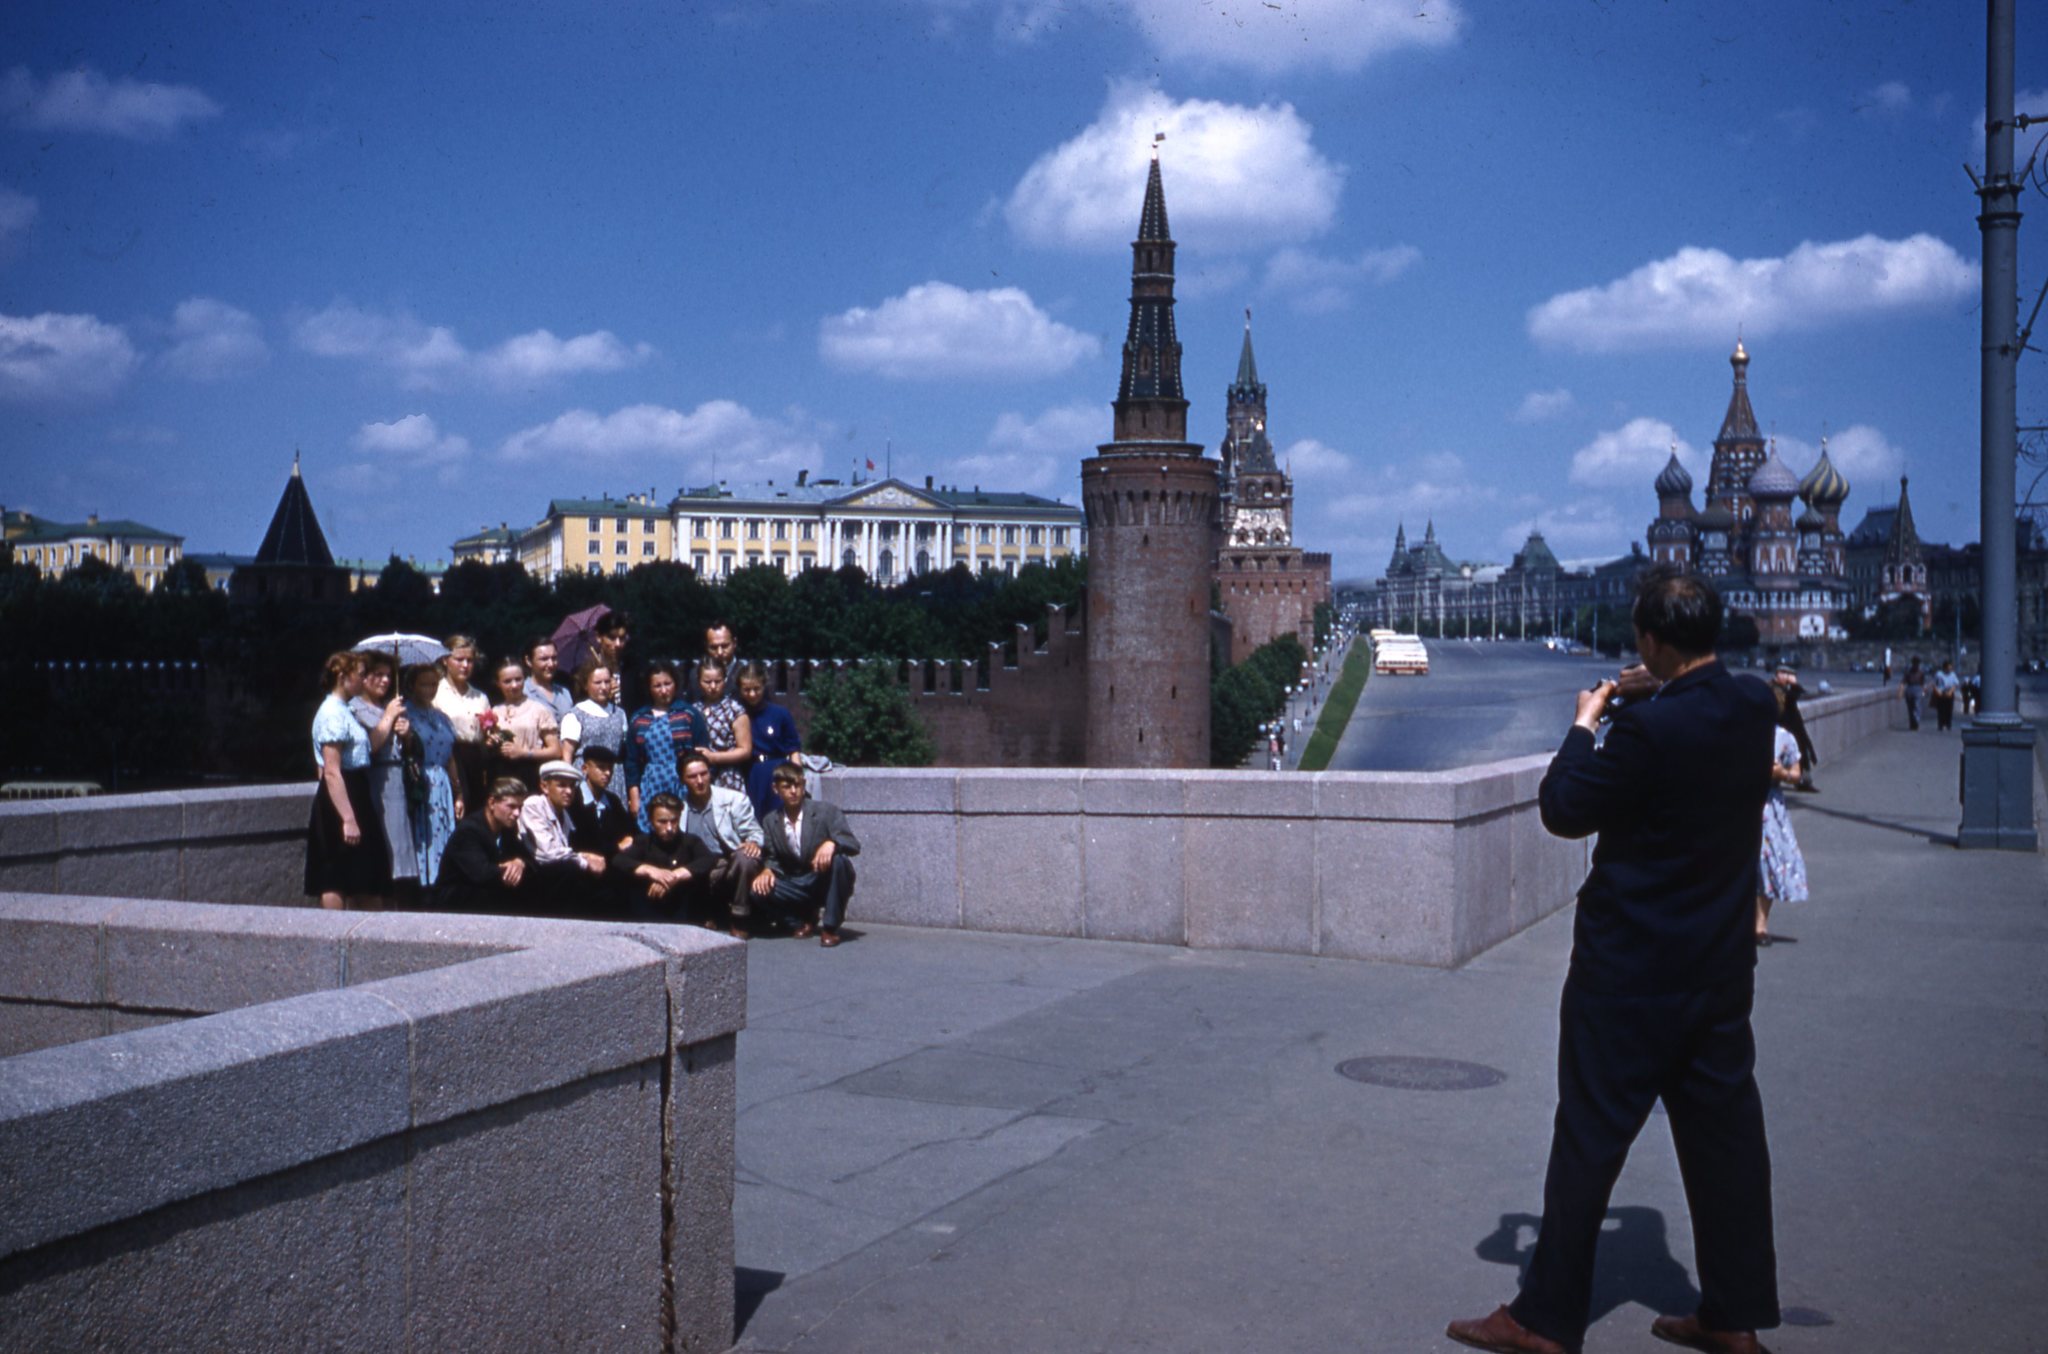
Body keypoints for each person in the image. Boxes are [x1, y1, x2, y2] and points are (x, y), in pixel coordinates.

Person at [1448, 567, 1780, 1354]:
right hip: (1719, 972)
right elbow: (1694, 737)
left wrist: (1585, 722)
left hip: (1629, 976)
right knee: (1726, 1146)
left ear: (1652, 641)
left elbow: (1565, 809)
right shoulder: (1753, 704)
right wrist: (1654, 688)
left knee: (1589, 1144)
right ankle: (1732, 1318)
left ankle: (1543, 1319)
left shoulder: (1643, 730)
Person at [305, 651, 390, 910]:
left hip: (356, 790)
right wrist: (348, 818)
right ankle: (335, 935)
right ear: (343, 677)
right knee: (336, 874)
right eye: (361, 675)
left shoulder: (346, 710)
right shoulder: (332, 713)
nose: (364, 680)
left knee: (363, 872)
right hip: (343, 794)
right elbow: (331, 770)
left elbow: (363, 750)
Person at [753, 762, 860, 947]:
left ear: (804, 785)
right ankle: (799, 922)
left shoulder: (826, 811)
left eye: (798, 785)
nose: (793, 791)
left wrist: (832, 843)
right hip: (795, 883)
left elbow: (853, 844)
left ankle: (830, 927)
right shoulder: (770, 821)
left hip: (822, 879)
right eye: (786, 787)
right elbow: (772, 857)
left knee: (840, 861)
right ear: (775, 789)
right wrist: (768, 870)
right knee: (757, 889)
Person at [348, 651, 417, 904]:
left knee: (400, 851)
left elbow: (407, 752)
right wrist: (388, 718)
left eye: (389, 676)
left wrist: (407, 735)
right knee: (381, 848)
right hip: (375, 781)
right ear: (364, 678)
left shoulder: (392, 707)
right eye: (378, 675)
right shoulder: (355, 708)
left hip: (398, 781)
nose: (385, 681)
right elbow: (368, 748)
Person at [678, 751, 765, 935]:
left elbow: (755, 832)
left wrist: (753, 842)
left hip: (728, 864)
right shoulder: (679, 807)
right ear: (682, 780)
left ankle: (739, 917)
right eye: (692, 776)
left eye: (704, 774)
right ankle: (704, 913)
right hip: (697, 867)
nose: (700, 780)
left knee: (746, 858)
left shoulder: (734, 799)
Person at [623, 661, 709, 832]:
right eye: (657, 686)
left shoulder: (689, 714)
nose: (663, 690)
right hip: (651, 781)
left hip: (682, 781)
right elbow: (631, 761)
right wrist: (634, 796)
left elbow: (702, 753)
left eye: (667, 684)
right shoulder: (639, 718)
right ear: (649, 688)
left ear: (675, 684)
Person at [608, 791, 720, 923]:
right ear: (651, 820)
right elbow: (619, 860)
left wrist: (675, 876)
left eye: (674, 821)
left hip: (685, 913)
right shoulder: (642, 842)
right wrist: (649, 870)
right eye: (662, 822)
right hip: (648, 913)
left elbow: (708, 859)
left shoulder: (690, 842)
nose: (669, 828)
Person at [401, 662, 463, 887]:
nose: (429, 689)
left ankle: (443, 881)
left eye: (434, 684)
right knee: (422, 833)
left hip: (442, 780)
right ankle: (423, 883)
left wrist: (458, 793)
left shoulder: (441, 717)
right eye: (424, 684)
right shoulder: (404, 715)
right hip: (420, 780)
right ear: (412, 685)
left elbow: (450, 756)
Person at [518, 760, 610, 913]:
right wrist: (585, 861)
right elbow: (547, 853)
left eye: (572, 786)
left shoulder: (564, 813)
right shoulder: (533, 805)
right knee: (571, 870)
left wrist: (587, 856)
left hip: (553, 875)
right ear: (544, 786)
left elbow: (562, 850)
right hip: (532, 873)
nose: (568, 791)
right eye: (561, 785)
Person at [1757, 688, 1809, 947]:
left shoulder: (1784, 738)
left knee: (1768, 864)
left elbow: (1797, 774)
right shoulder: (1739, 733)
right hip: (1742, 805)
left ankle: (1759, 925)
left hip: (1770, 809)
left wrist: (1781, 774)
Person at [434, 778, 532, 913]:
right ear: (492, 803)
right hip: (457, 901)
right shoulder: (469, 830)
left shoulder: (507, 829)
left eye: (520, 808)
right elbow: (481, 873)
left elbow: (529, 860)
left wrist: (519, 862)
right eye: (511, 806)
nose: (517, 814)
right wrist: (508, 869)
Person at [736, 661, 804, 817]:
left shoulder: (780, 714)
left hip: (777, 769)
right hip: (751, 771)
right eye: (747, 690)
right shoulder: (737, 714)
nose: (752, 694)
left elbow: (793, 749)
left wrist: (797, 776)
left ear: (764, 686)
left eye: (756, 689)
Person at [433, 634, 491, 811]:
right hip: (449, 756)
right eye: (459, 660)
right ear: (445, 660)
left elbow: (486, 734)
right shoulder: (436, 692)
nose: (465, 666)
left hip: (475, 757)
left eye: (470, 661)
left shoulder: (480, 697)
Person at [489, 657, 563, 789]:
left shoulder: (538, 710)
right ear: (498, 683)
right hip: (501, 773)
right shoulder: (494, 711)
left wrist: (524, 753)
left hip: (529, 772)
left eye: (518, 679)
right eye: (507, 681)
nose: (514, 685)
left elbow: (556, 750)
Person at [694, 656, 754, 794]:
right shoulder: (693, 710)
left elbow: (745, 750)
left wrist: (713, 757)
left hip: (728, 776)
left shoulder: (735, 709)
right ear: (699, 682)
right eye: (707, 682)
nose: (713, 687)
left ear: (725, 680)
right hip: (700, 776)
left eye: (718, 681)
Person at [567, 745, 636, 859]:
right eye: (601, 768)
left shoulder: (613, 801)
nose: (608, 773)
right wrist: (616, 847)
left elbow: (629, 831)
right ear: (585, 768)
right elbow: (577, 843)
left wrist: (629, 838)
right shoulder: (573, 800)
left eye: (610, 768)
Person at [561, 659, 627, 767]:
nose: (604, 687)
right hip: (585, 775)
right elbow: (567, 754)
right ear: (586, 685)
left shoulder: (619, 713)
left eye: (607, 681)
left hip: (615, 775)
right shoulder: (576, 715)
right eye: (598, 683)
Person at [1771, 664, 1818, 792]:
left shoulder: (1786, 689)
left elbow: (1798, 694)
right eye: (1784, 673)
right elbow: (1792, 698)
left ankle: (1803, 781)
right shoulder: (1773, 688)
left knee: (1802, 753)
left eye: (1789, 674)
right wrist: (1793, 685)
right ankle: (1789, 780)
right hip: (1782, 727)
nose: (1787, 676)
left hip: (1793, 726)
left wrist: (1793, 684)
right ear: (1777, 674)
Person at [524, 637, 575, 722]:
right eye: (544, 659)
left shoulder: (564, 693)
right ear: (529, 661)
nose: (551, 664)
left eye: (554, 658)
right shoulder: (524, 693)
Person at [1929, 658, 1960, 732]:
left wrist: (1950, 691)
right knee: (1941, 710)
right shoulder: (1939, 674)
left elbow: (1956, 684)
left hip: (1949, 693)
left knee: (1949, 710)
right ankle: (1940, 724)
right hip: (1941, 693)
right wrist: (1937, 691)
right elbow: (1934, 684)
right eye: (1948, 668)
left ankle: (1948, 724)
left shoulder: (1953, 674)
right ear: (1944, 667)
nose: (1949, 670)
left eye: (1950, 668)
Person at [1901, 656, 1925, 731]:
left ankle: (1916, 720)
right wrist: (1900, 692)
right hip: (1909, 689)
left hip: (1917, 689)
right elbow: (1903, 682)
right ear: (1913, 663)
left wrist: (1923, 691)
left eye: (1917, 664)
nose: (1916, 665)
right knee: (1911, 708)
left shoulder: (1921, 673)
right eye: (1915, 663)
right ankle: (1912, 724)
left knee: (1917, 706)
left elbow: (1922, 683)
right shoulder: (1908, 672)